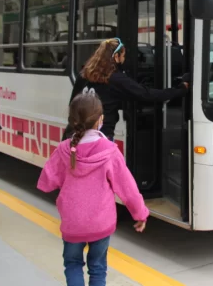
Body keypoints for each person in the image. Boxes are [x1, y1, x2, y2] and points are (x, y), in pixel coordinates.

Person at [37, 93, 148, 286]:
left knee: (72, 264)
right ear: (100, 120)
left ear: (73, 121)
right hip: (100, 223)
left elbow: (47, 181)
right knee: (97, 267)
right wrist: (140, 214)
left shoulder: (64, 149)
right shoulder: (110, 151)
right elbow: (128, 188)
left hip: (72, 223)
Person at [65, 38, 189, 141]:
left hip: (75, 135)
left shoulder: (84, 74)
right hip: (101, 136)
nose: (124, 59)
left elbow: (73, 103)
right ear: (116, 57)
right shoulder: (115, 78)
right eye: (123, 56)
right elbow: (146, 94)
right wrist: (180, 89)